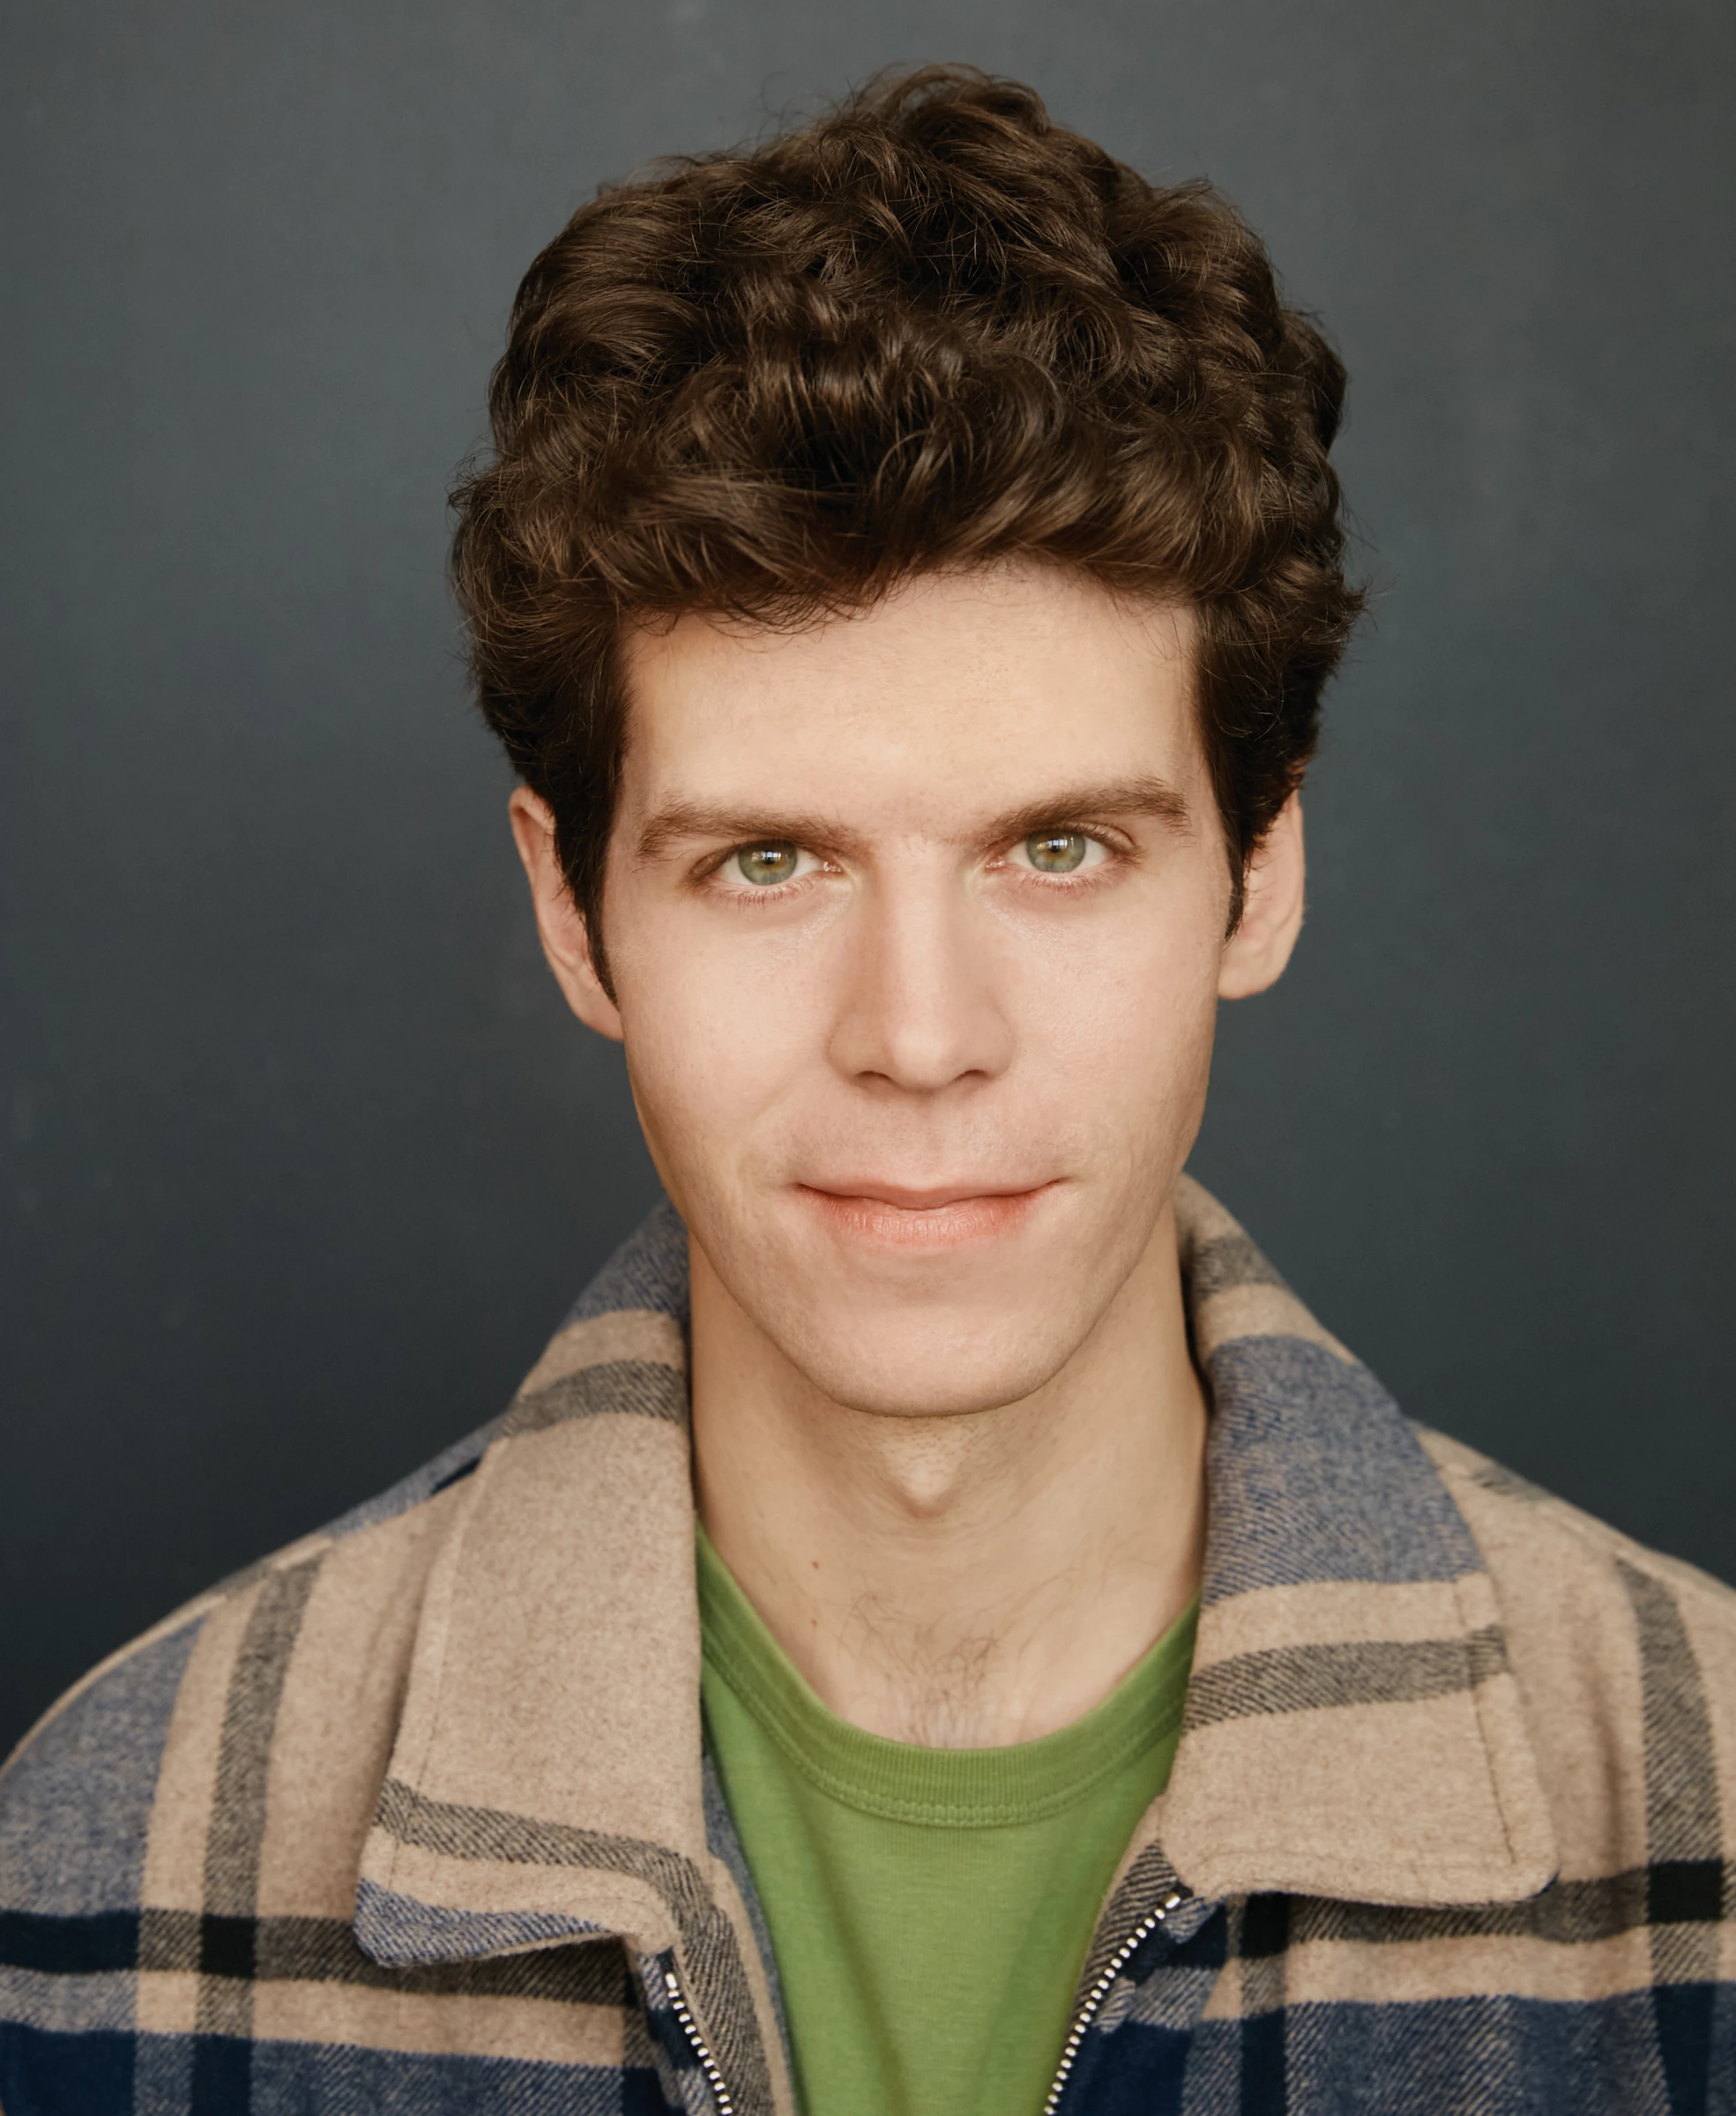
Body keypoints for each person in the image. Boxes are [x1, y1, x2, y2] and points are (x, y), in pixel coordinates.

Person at [2, 64, 1731, 2116]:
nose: (919, 1035)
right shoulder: (107, 1857)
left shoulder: (1703, 1824)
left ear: (1261, 870)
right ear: (572, 915)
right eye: (767, 863)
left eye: (1059, 850)